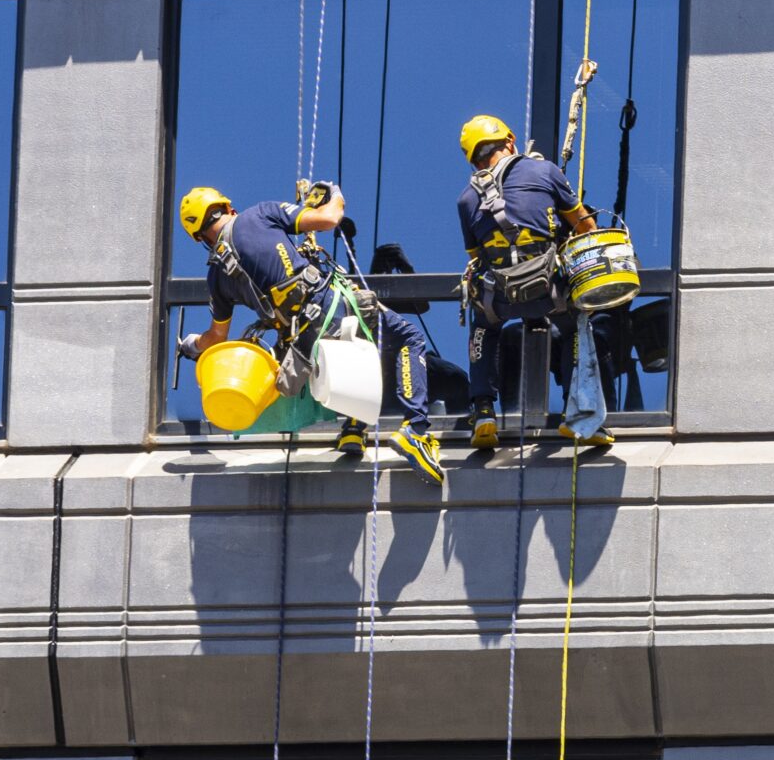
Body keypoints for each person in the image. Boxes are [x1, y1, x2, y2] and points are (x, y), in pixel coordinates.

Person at [176, 184, 446, 487]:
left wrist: (190, 346)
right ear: (228, 208)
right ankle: (416, 430)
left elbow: (217, 338)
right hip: (328, 307)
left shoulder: (217, 277)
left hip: (301, 341)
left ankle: (354, 428)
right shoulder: (260, 214)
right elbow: (329, 219)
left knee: (365, 346)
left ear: (200, 237)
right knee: (407, 338)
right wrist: (336, 196)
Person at [456, 111, 615, 450]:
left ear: (474, 159)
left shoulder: (467, 199)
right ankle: (580, 410)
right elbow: (586, 229)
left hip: (500, 296)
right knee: (578, 324)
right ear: (510, 142)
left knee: (483, 326)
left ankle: (483, 411)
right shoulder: (544, 171)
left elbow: (476, 258)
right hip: (549, 289)